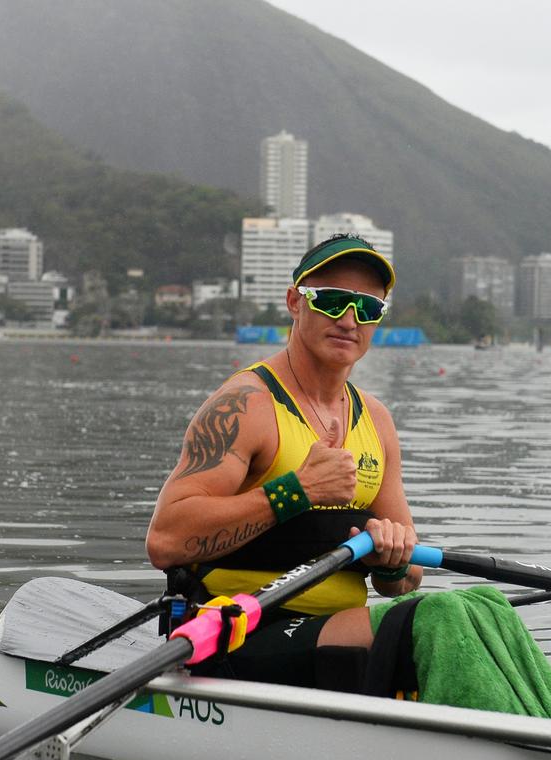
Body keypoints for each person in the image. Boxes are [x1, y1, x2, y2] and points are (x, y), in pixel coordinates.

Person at [146, 233, 420, 687]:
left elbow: (406, 580)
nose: (349, 320)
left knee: (482, 609)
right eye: (332, 301)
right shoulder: (246, 406)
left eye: (368, 308)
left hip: (331, 635)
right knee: (437, 624)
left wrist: (392, 559)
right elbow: (166, 539)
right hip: (235, 633)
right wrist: (297, 491)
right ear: (295, 302)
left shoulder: (376, 420)